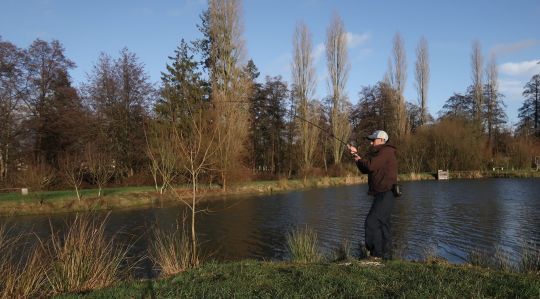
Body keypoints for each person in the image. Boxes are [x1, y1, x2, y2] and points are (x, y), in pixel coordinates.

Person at [348, 130, 397, 260]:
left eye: (373, 140)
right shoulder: (382, 153)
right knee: (382, 224)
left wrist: (357, 156)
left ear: (381, 139)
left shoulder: (385, 151)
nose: (371, 142)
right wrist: (355, 156)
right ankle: (386, 256)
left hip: (385, 193)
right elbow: (366, 168)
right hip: (383, 194)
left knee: (372, 222)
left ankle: (376, 256)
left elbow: (370, 166)